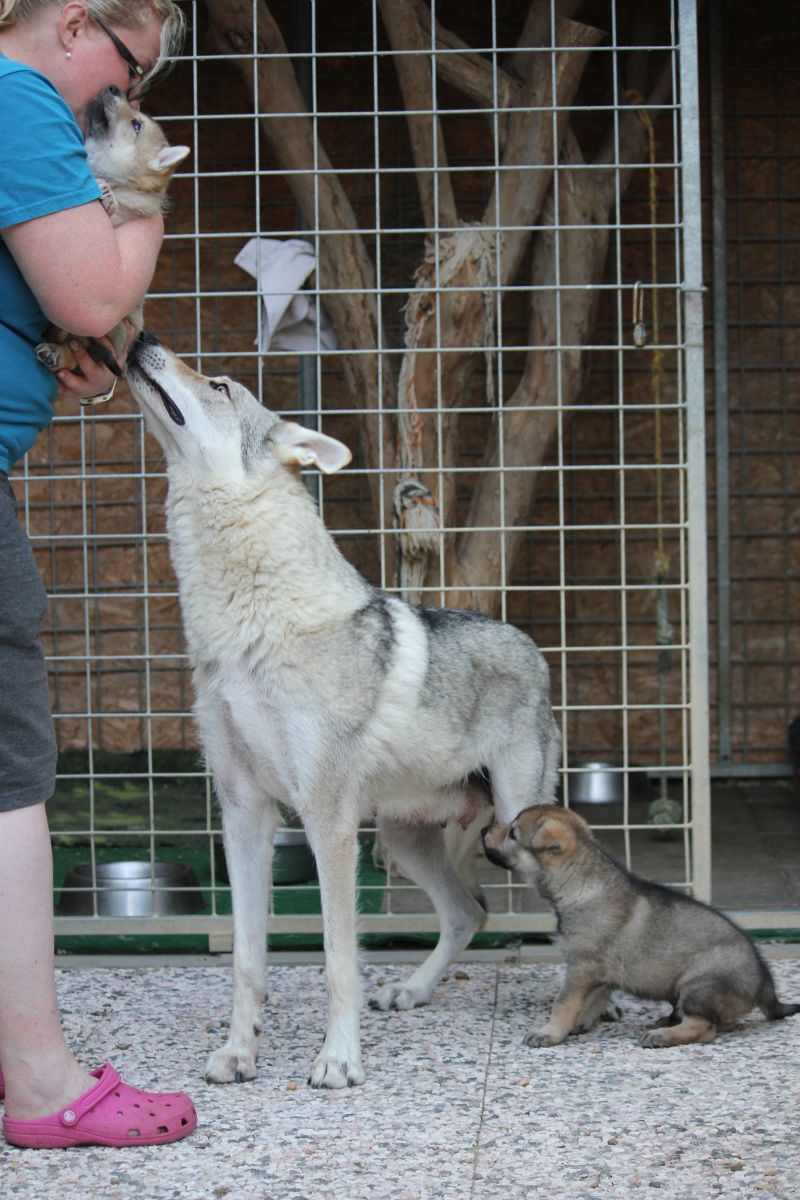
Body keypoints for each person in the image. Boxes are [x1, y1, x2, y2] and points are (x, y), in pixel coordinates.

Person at [0, 0, 196, 1148]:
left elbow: (57, 309)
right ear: (79, 26)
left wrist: (41, 348)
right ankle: (39, 1082)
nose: (117, 102)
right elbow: (98, 296)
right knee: (9, 766)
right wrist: (142, 208)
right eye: (127, 75)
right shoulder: (20, 96)